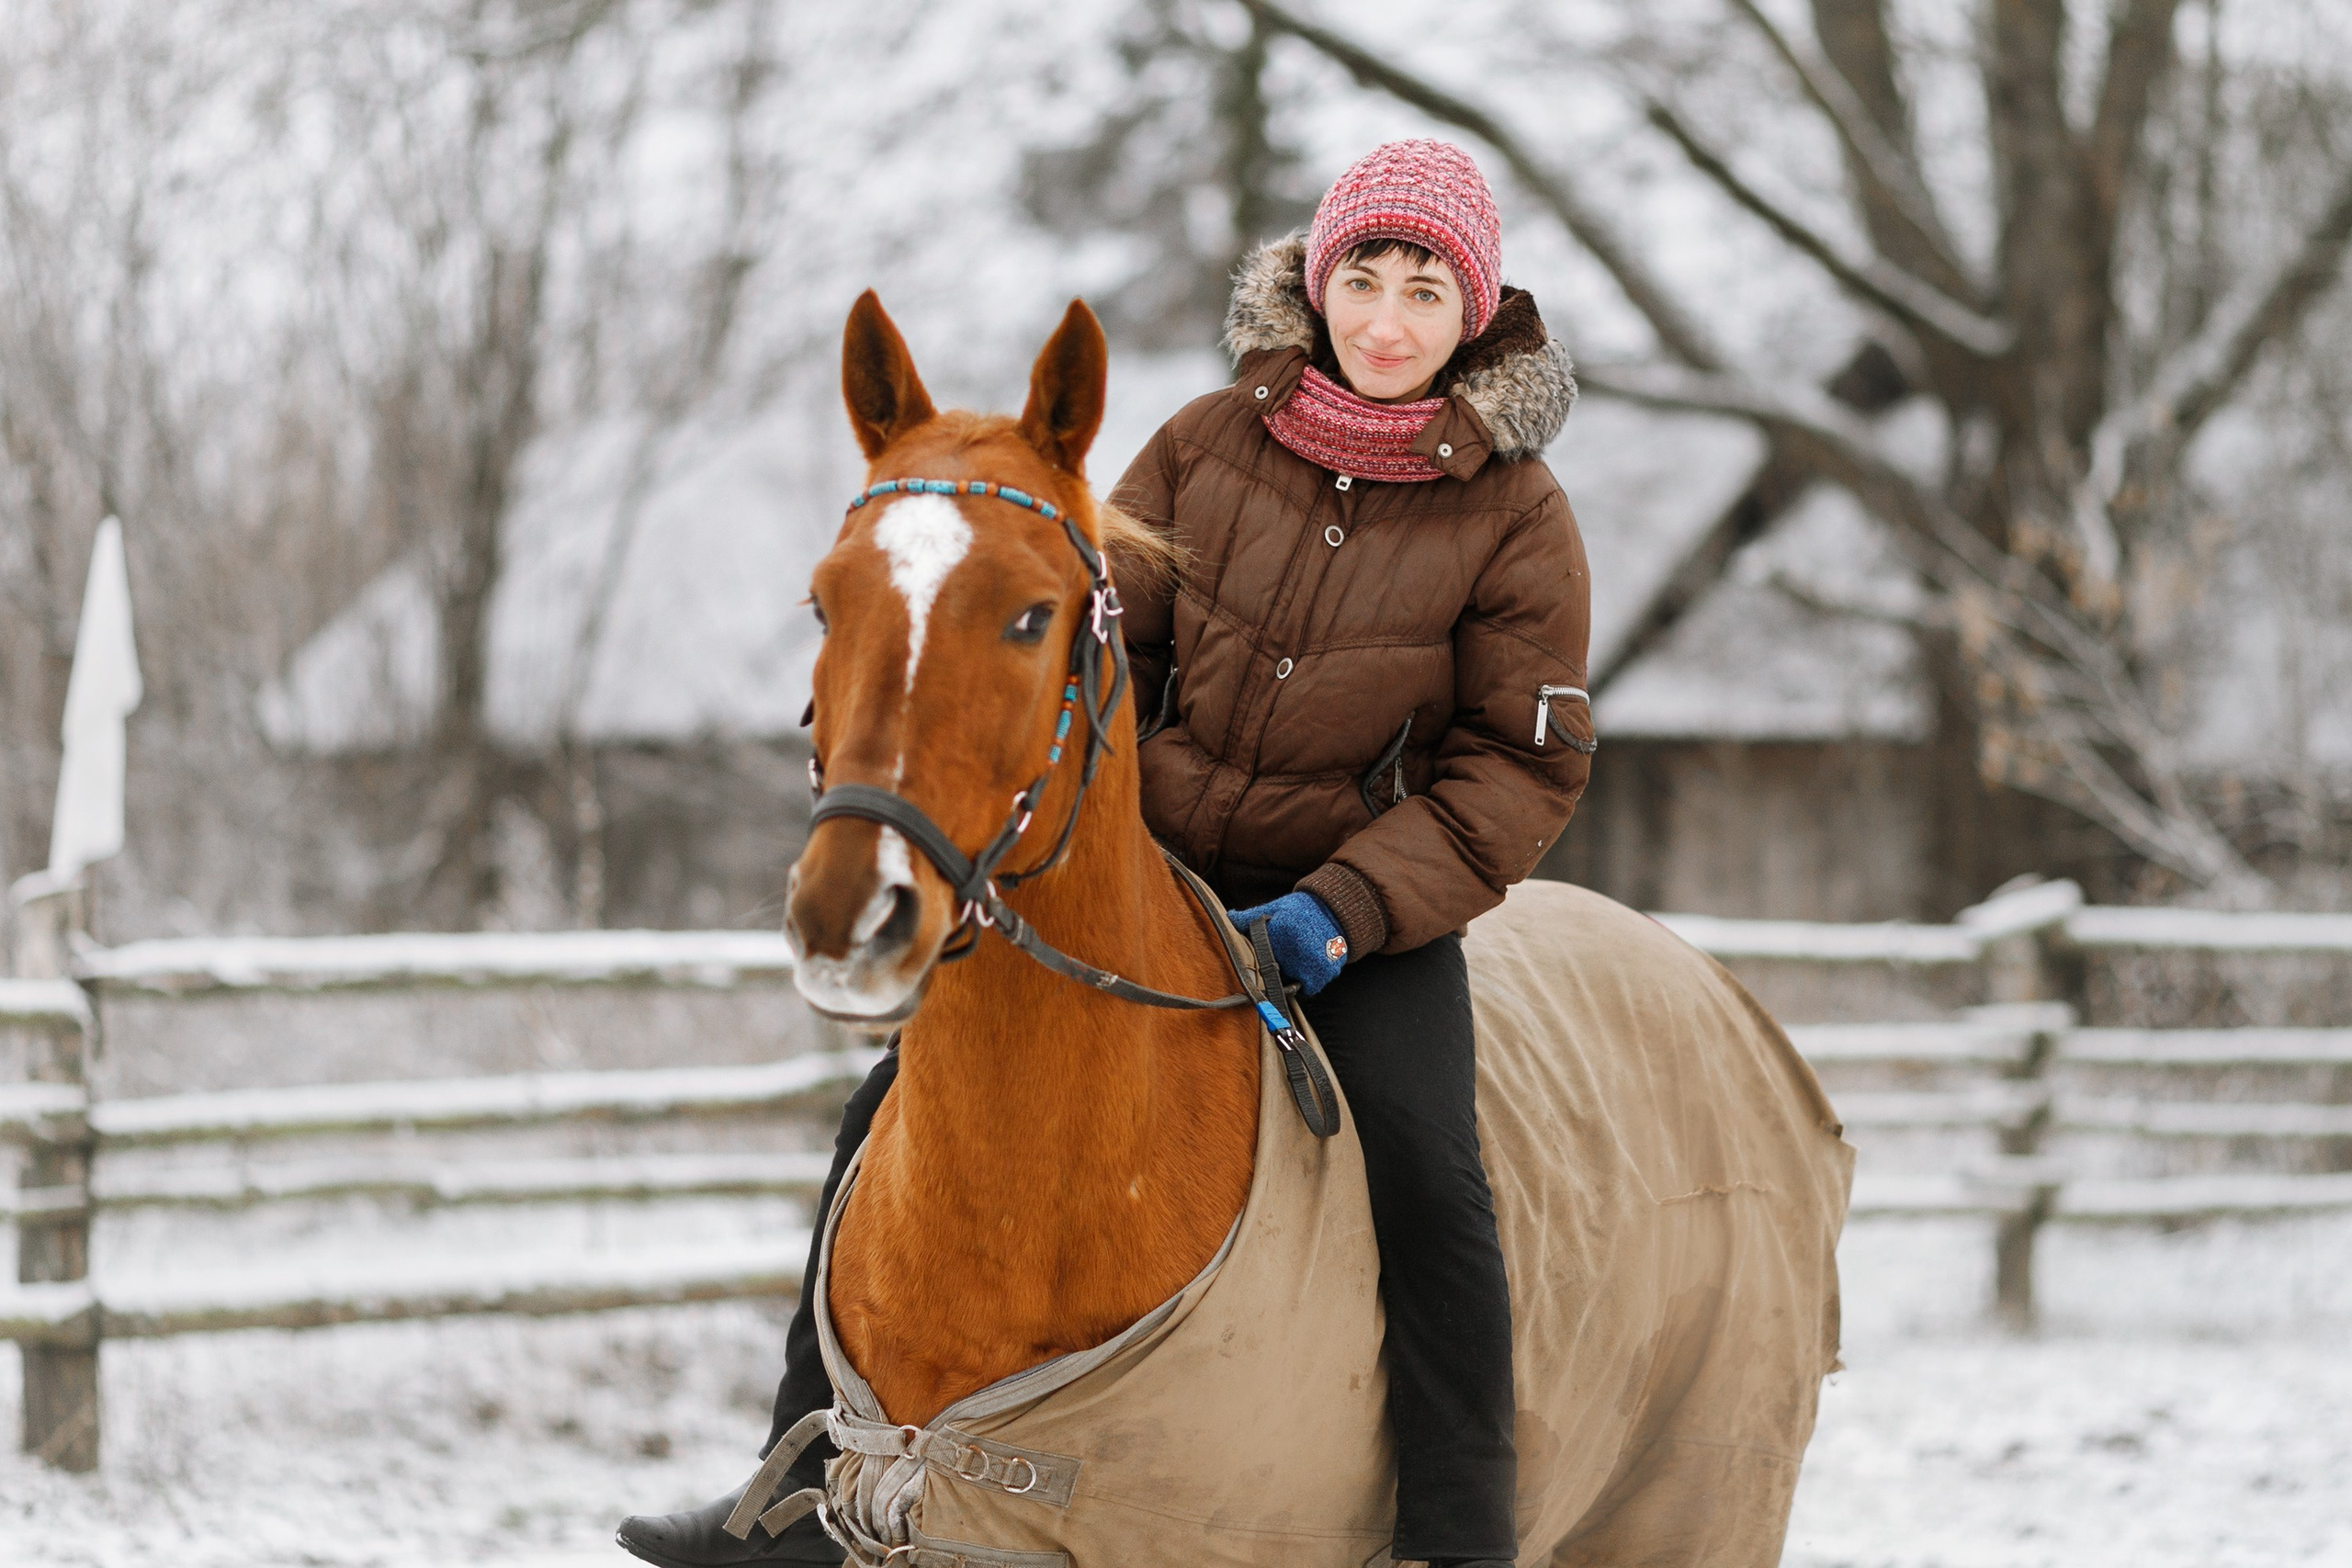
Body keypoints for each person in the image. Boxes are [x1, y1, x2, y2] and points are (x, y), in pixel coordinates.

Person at [617, 138, 1593, 1568]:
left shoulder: (1516, 514)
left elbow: (1521, 765)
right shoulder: (1203, 443)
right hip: (1149, 869)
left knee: (1433, 1178)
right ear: (1318, 292)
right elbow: (1090, 644)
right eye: (1362, 279)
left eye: (1425, 290)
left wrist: (1349, 904)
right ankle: (803, 1486)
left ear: (1477, 313)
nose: (1387, 320)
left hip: (1357, 911)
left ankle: (1457, 1535)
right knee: (877, 1114)